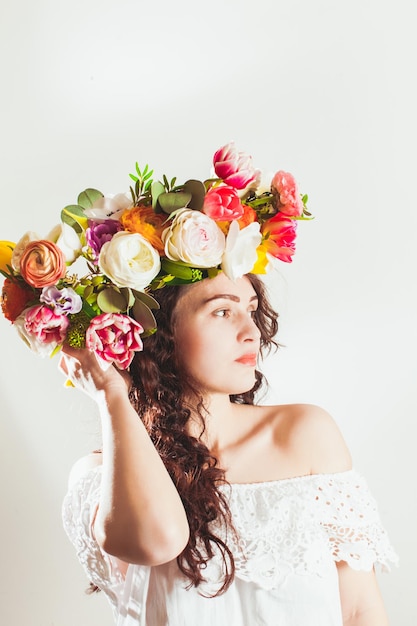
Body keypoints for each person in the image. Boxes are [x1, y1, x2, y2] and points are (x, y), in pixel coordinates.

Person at [60, 271, 397, 626]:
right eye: (222, 312)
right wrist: (110, 394)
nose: (251, 332)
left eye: (251, 311)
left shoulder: (306, 435)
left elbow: (361, 609)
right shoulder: (99, 477)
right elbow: (158, 542)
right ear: (157, 330)